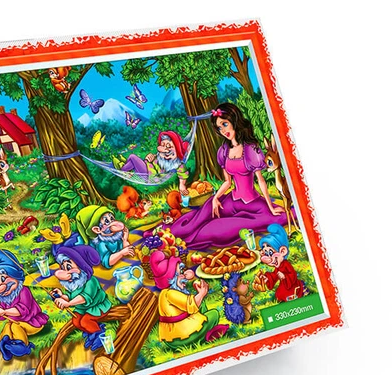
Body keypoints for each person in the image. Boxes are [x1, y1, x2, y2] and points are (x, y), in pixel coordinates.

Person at [167, 103, 290, 250]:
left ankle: (193, 240)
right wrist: (216, 198)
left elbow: (261, 181)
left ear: (234, 121)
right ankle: (176, 234)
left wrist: (270, 207)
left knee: (215, 228)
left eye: (225, 124)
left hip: (252, 204)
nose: (223, 131)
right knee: (206, 210)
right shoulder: (224, 150)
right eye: (219, 128)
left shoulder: (250, 149)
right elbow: (227, 182)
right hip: (232, 200)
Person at [0, 250, 48, 361]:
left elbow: (23, 310)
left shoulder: (23, 291)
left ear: (16, 277)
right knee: (7, 326)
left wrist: (4, 311)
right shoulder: (5, 298)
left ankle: (23, 347)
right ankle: (5, 346)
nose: (0, 284)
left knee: (14, 326)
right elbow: (1, 312)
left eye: (3, 279)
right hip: (17, 322)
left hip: (32, 322)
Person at [151, 250, 228, 347]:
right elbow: (191, 305)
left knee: (202, 305)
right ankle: (203, 335)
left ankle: (204, 328)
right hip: (180, 337)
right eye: (180, 272)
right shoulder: (170, 293)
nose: (184, 276)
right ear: (172, 278)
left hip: (176, 332)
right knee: (214, 314)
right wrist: (202, 293)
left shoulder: (166, 292)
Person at [51, 245, 111, 351]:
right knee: (76, 321)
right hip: (83, 308)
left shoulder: (90, 281)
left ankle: (100, 335)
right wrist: (61, 296)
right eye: (63, 268)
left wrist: (69, 304)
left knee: (85, 321)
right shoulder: (75, 283)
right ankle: (91, 332)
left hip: (96, 306)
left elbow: (84, 297)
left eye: (69, 267)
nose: (65, 272)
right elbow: (70, 296)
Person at [114, 130, 190, 187]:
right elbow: (155, 156)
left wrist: (182, 185)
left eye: (169, 146)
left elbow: (183, 173)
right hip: (146, 169)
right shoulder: (160, 156)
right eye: (162, 145)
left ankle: (122, 170)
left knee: (132, 157)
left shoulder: (177, 163)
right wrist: (150, 156)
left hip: (149, 175)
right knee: (132, 159)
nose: (165, 149)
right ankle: (127, 168)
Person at [254, 224, 304, 302]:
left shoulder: (286, 264)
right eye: (266, 254)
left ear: (282, 251)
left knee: (288, 294)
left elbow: (292, 274)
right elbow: (274, 275)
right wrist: (267, 278)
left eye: (271, 252)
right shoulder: (278, 266)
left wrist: (284, 276)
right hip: (284, 284)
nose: (270, 258)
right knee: (279, 294)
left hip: (292, 285)